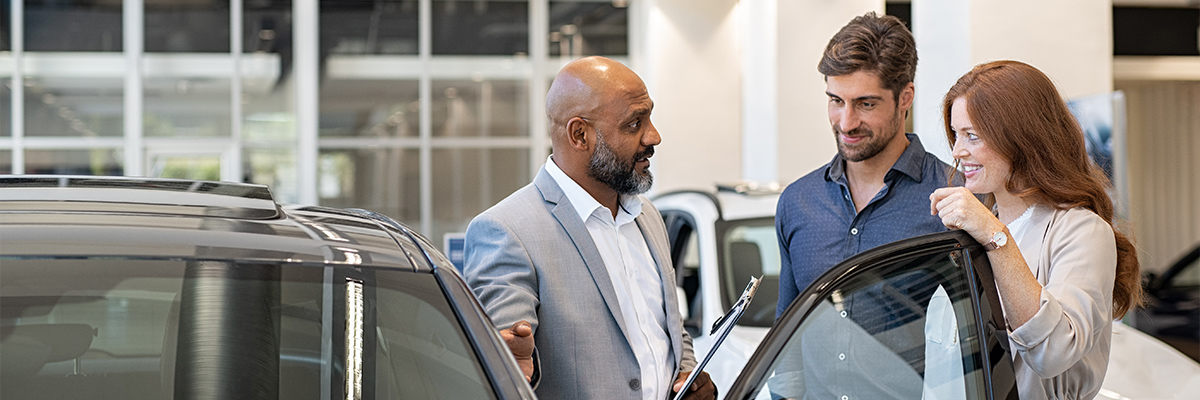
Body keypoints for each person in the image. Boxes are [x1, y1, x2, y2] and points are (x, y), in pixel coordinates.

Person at [463, 56, 716, 400]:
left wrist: (688, 372)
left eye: (649, 118)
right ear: (580, 135)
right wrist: (513, 365)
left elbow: (667, 327)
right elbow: (507, 361)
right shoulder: (507, 231)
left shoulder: (647, 216)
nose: (653, 136)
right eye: (634, 124)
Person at [929, 60, 1142, 400]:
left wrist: (995, 237)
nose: (957, 151)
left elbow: (1052, 351)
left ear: (1020, 137)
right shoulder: (970, 234)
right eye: (956, 135)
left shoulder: (1083, 232)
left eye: (973, 136)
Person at [775, 12, 958, 318]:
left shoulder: (955, 198)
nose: (846, 123)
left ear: (905, 98)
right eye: (836, 101)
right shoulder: (797, 202)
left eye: (866, 104)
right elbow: (786, 326)